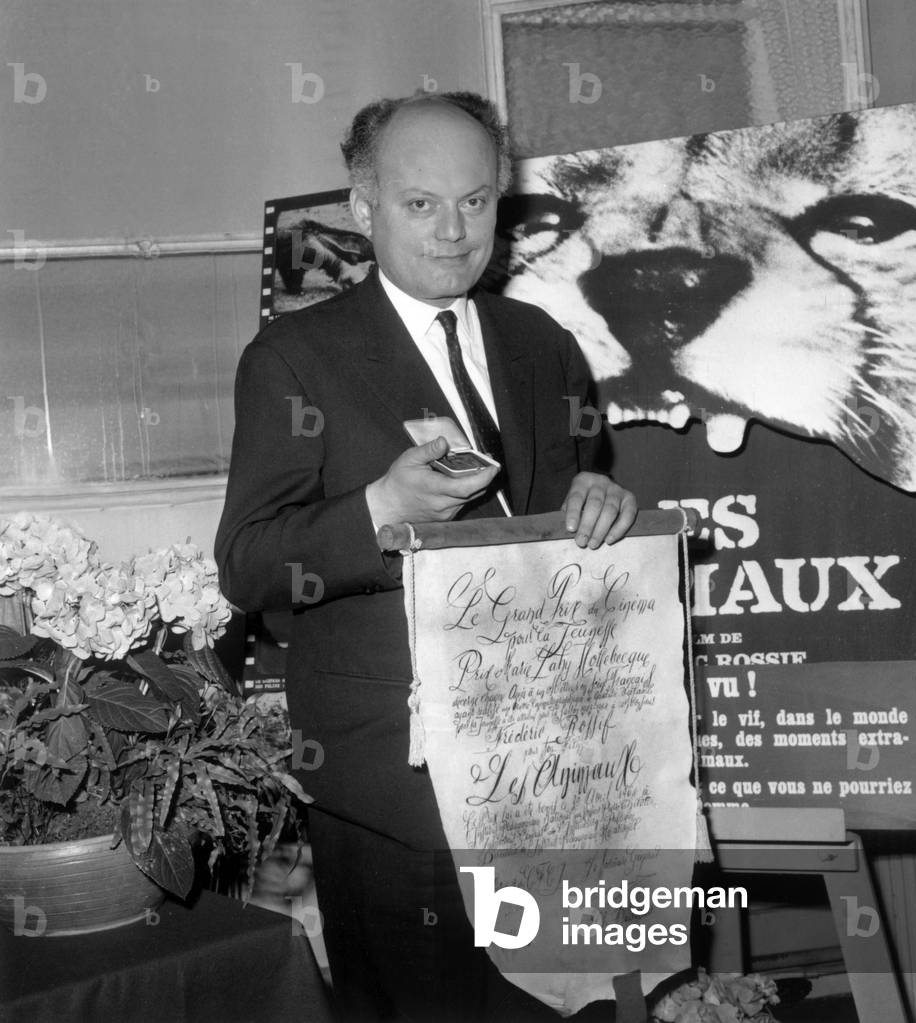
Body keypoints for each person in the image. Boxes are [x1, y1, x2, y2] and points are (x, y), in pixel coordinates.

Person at [215, 91, 638, 1022]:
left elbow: (558, 522)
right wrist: (380, 507)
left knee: (569, 1009)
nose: (454, 232)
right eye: (420, 204)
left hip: (550, 767)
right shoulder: (293, 359)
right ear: (363, 208)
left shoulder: (544, 344)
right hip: (395, 792)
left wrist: (600, 506)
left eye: (476, 201)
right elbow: (247, 564)